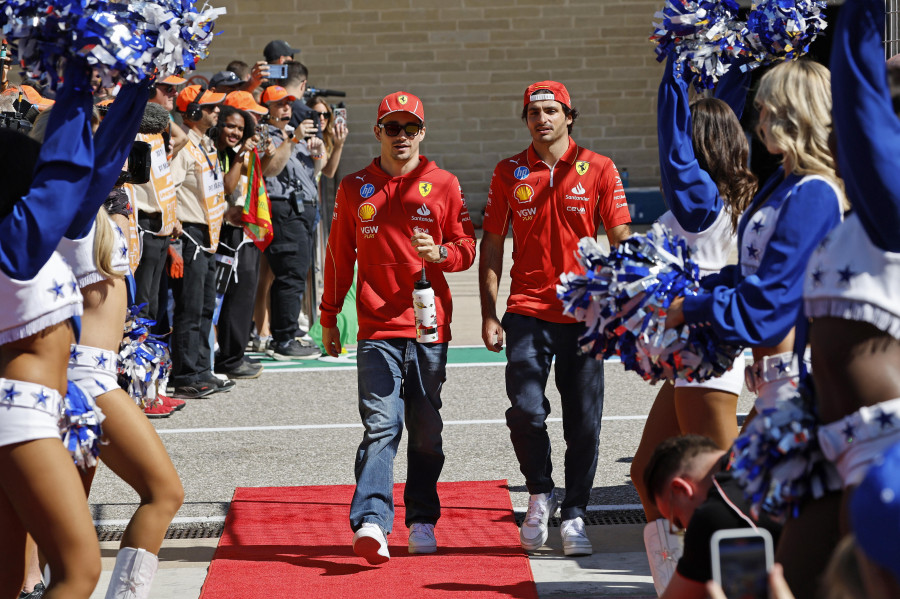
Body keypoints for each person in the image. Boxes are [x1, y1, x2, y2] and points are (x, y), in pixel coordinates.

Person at [663, 59, 846, 599]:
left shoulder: (814, 191)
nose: (757, 116)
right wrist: (678, 291)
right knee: (743, 537)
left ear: (790, 114)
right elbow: (747, 276)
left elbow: (769, 304)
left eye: (765, 107)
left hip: (802, 394)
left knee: (729, 525)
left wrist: (690, 310)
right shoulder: (782, 184)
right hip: (773, 386)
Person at [0, 58, 146, 599]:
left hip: (33, 409)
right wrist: (78, 80)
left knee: (13, 580)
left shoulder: (23, 242)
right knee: (79, 571)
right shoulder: (19, 244)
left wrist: (139, 87)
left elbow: (98, 167)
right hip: (21, 412)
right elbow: (69, 172)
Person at [319, 91, 476, 564]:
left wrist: (442, 255)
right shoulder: (353, 187)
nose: (402, 136)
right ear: (378, 133)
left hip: (430, 330)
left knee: (426, 430)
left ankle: (422, 519)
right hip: (376, 330)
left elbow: (466, 245)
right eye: (393, 128)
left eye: (410, 128)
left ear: (422, 133)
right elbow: (338, 256)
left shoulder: (444, 184)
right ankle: (371, 521)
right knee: (381, 426)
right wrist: (330, 316)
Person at [479, 80, 631, 557]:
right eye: (533, 112)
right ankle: (540, 493)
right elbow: (491, 244)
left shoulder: (600, 168)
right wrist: (488, 311)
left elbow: (621, 239)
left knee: (584, 423)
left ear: (569, 116)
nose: (541, 118)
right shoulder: (508, 172)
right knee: (526, 410)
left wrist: (624, 303)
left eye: (550, 110)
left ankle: (576, 513)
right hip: (526, 310)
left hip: (584, 315)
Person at [630, 56, 757, 593]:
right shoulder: (718, 201)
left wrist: (676, 63)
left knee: (731, 489)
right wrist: (740, 61)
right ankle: (675, 581)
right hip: (693, 359)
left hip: (709, 359)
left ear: (696, 145)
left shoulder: (699, 205)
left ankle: (754, 577)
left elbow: (672, 136)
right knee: (646, 474)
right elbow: (727, 106)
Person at [59, 203, 184, 599]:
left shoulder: (86, 211)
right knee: (164, 493)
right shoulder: (74, 211)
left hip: (87, 374)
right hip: (85, 379)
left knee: (65, 512)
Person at [805, 0, 900, 501]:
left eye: (843, 128)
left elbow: (858, 94)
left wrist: (857, 13)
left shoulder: (894, 208)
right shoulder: (860, 214)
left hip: (884, 457)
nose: (833, 139)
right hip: (835, 448)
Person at [643, 435, 783, 599]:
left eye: (678, 521)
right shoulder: (756, 444)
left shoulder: (716, 512)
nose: (685, 529)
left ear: (680, 488)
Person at [169, 84, 231, 397]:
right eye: (210, 107)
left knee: (207, 306)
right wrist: (175, 223)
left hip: (209, 234)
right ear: (193, 112)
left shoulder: (206, 144)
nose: (217, 111)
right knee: (190, 307)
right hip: (190, 234)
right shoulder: (183, 146)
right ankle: (185, 374)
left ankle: (202, 368)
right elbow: (170, 186)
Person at [259, 85, 323, 359]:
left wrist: (317, 153)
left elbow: (314, 175)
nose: (286, 108)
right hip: (284, 209)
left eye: (288, 104)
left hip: (303, 208)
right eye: (279, 104)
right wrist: (294, 140)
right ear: (267, 109)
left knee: (297, 274)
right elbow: (269, 168)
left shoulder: (289, 135)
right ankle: (283, 339)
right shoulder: (266, 134)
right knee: (289, 274)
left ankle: (289, 333)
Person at [210, 104, 267, 379]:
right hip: (222, 233)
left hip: (243, 233)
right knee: (229, 296)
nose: (234, 133)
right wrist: (240, 157)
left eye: (240, 129)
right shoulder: (216, 152)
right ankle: (229, 359)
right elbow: (226, 188)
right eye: (230, 126)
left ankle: (235, 354)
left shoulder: (238, 153)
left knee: (243, 294)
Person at [307, 95, 348, 179]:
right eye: (317, 115)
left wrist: (338, 145)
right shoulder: (305, 138)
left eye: (326, 115)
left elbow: (329, 172)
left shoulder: (324, 140)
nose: (322, 118)